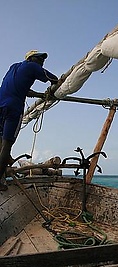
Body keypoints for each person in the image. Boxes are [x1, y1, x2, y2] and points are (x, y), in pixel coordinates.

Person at [0, 50, 58, 191]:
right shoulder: (32, 66)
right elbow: (54, 79)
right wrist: (51, 89)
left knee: (0, 141)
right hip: (14, 107)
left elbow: (15, 85)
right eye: (39, 58)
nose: (42, 61)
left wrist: (29, 92)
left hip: (1, 103)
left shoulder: (14, 67)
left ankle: (4, 166)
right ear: (31, 58)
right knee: (7, 144)